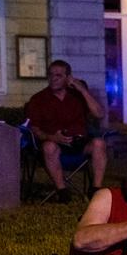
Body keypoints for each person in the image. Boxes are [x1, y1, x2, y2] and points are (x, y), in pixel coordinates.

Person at [24, 59, 108, 203]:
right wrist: (52, 137)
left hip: (80, 143)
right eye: (51, 75)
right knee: (49, 147)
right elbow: (35, 129)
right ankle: (62, 191)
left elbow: (99, 114)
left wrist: (82, 89)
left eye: (58, 75)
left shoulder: (77, 95)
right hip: (55, 146)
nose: (53, 79)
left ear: (68, 77)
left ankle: (95, 190)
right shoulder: (38, 99)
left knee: (99, 143)